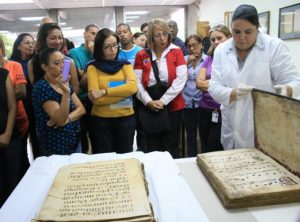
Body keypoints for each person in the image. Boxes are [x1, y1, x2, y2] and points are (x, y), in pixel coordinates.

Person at [208, 4, 300, 149]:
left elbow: (295, 81)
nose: (242, 38)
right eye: (237, 32)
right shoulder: (222, 50)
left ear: (257, 27)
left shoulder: (274, 46)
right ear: (231, 29)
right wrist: (233, 93)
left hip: (264, 123)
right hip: (231, 124)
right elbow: (214, 86)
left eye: (248, 32)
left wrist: (286, 90)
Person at [134, 18, 187, 158]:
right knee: (152, 147)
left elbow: (180, 79)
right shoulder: (142, 55)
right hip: (150, 106)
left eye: (165, 34)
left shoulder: (176, 51)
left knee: (171, 146)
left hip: (172, 106)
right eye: (158, 35)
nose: (162, 38)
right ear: (151, 37)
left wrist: (163, 101)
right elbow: (137, 82)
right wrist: (148, 101)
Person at [87, 28, 137, 154]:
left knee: (125, 159)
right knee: (104, 160)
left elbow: (132, 88)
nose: (113, 50)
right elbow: (95, 99)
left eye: (115, 45)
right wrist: (123, 93)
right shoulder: (93, 67)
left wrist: (104, 91)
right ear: (99, 48)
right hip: (101, 121)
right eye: (107, 47)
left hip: (126, 119)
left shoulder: (125, 65)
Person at [32, 48, 85, 156]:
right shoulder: (42, 87)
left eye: (63, 62)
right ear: (44, 67)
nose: (62, 66)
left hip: (73, 139)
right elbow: (60, 120)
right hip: (55, 144)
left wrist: (68, 119)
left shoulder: (63, 82)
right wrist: (66, 94)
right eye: (57, 63)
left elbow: (81, 109)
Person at [196, 25, 231, 153]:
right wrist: (218, 84)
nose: (216, 42)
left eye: (219, 38)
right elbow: (199, 83)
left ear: (228, 38)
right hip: (204, 108)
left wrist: (209, 82)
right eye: (213, 39)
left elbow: (232, 84)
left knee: (215, 146)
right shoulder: (209, 58)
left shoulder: (233, 59)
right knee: (204, 145)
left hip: (222, 109)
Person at [0, 36, 29, 175]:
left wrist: (3, 97)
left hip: (16, 121)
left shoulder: (12, 67)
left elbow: (21, 92)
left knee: (18, 165)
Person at [69, 24, 99, 153]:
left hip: (96, 98)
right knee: (82, 137)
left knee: (96, 135)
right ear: (85, 34)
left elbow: (88, 73)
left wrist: (94, 53)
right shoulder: (74, 52)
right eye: (92, 33)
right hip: (80, 98)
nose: (94, 37)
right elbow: (80, 77)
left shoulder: (98, 52)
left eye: (97, 34)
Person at [28, 23, 79, 95]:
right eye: (53, 38)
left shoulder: (67, 61)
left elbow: (75, 89)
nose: (58, 42)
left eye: (60, 38)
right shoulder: (33, 63)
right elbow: (36, 90)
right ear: (43, 40)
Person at [0, 67, 21, 207]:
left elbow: (12, 106)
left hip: (9, 135)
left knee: (13, 182)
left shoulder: (3, 74)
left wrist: (7, 133)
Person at [182, 34, 205, 157]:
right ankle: (191, 157)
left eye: (195, 45)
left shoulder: (207, 60)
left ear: (201, 45)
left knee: (202, 134)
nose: (192, 49)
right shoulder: (183, 59)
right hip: (186, 102)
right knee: (190, 135)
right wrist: (186, 63)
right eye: (189, 46)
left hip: (202, 102)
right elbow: (178, 77)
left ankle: (204, 156)